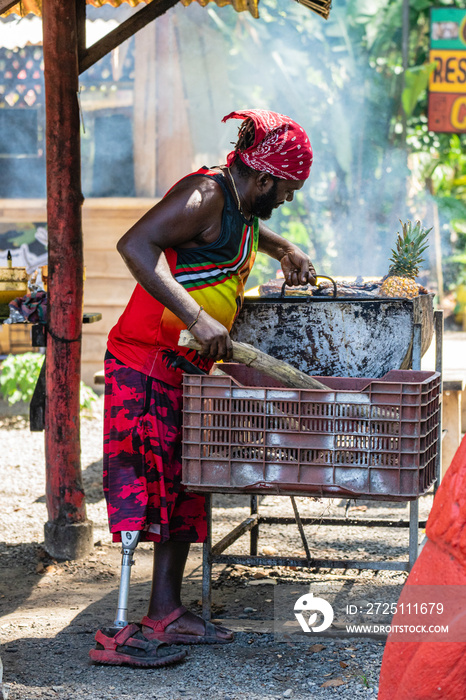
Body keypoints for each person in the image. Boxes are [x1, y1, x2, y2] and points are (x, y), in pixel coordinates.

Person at [93, 109, 316, 666]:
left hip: (185, 368)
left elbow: (250, 230)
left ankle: (166, 612)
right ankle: (122, 631)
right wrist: (195, 316)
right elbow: (134, 244)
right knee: (146, 489)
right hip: (144, 362)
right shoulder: (206, 192)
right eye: (287, 189)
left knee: (185, 486)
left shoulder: (240, 205)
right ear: (263, 178)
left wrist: (285, 249)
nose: (288, 199)